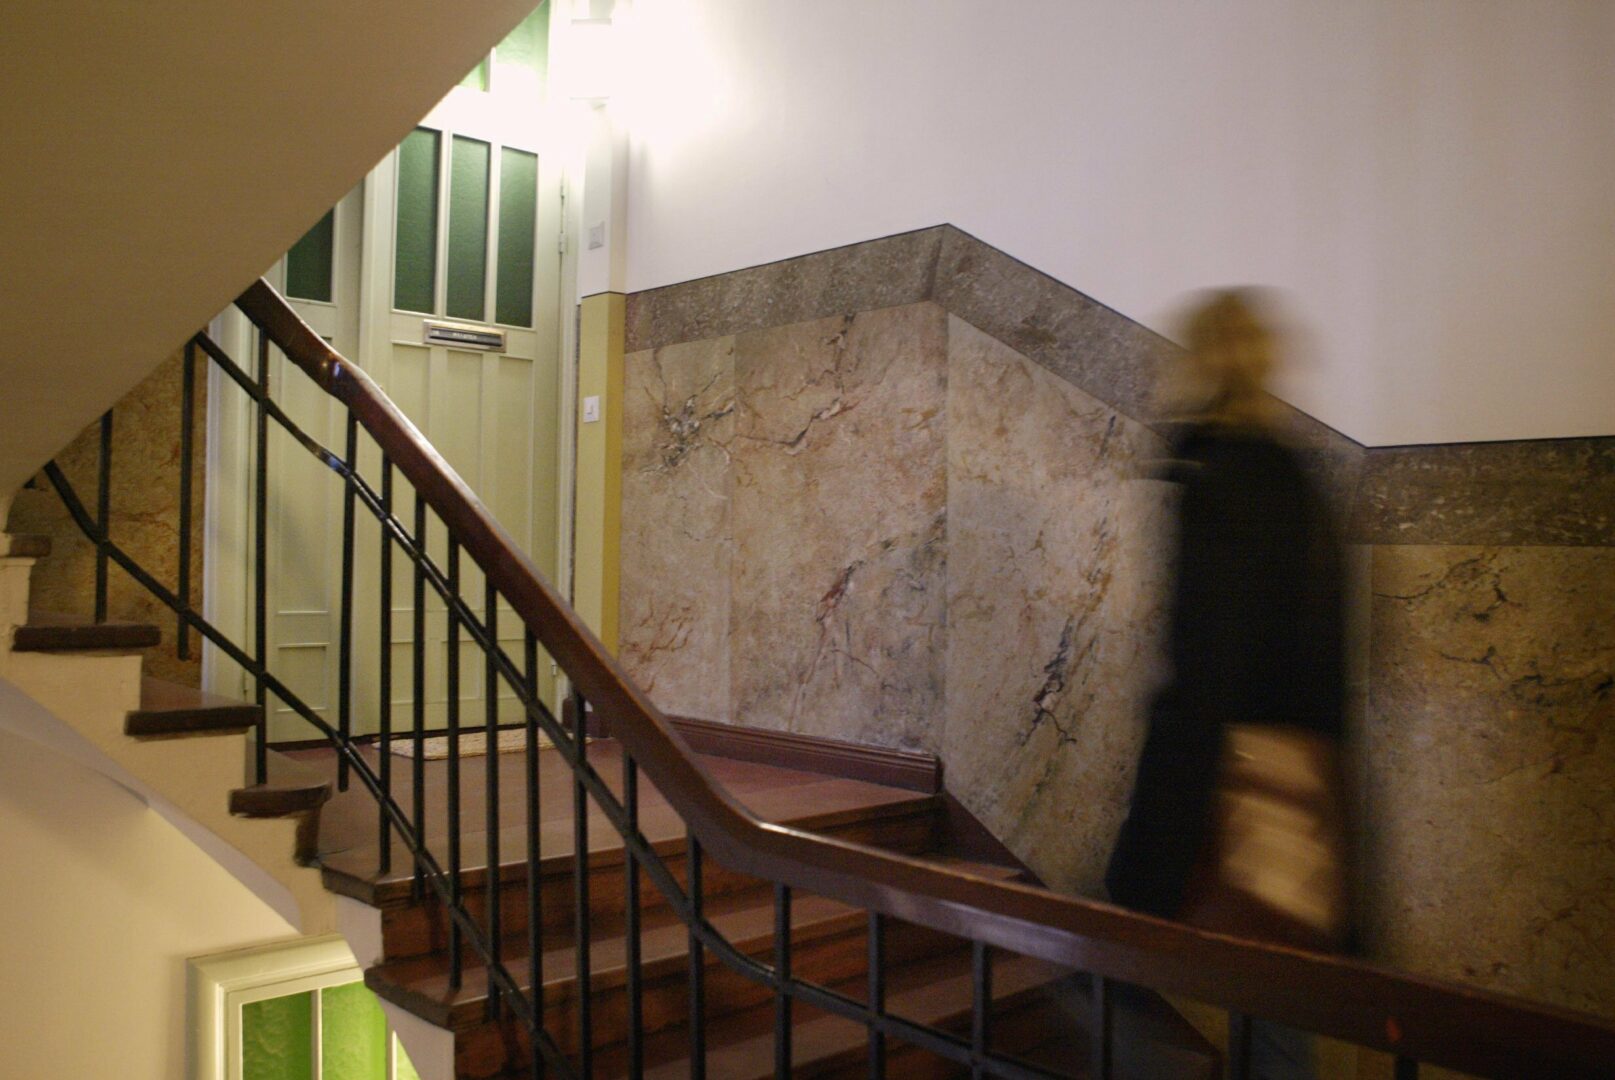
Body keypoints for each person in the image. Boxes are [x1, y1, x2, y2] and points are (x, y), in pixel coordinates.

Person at [1104, 289, 1352, 1079]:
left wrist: (1152, 844)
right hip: (1298, 787)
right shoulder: (1298, 477)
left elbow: (1206, 664)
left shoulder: (1212, 473)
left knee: (1121, 989)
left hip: (1222, 785)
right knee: (1273, 1002)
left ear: (1195, 360)